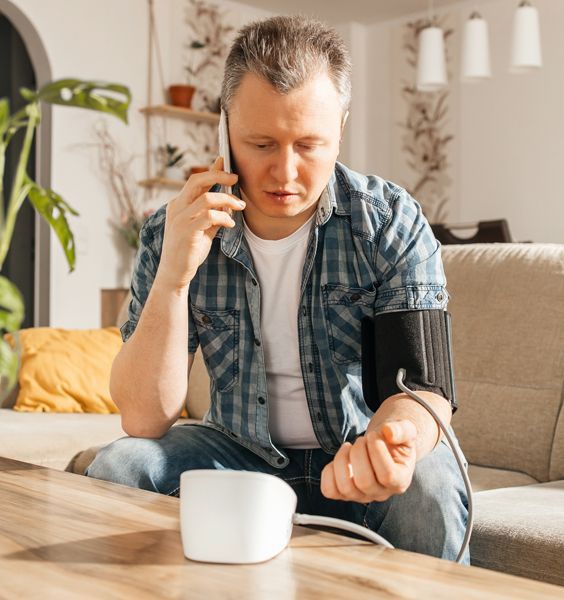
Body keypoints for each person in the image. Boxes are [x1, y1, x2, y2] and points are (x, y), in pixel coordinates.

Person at [87, 15, 469, 563]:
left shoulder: (388, 221)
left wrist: (394, 443)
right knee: (121, 466)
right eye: (261, 143)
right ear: (224, 129)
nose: (284, 173)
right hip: (236, 455)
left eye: (309, 144)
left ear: (341, 127)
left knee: (429, 489)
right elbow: (143, 419)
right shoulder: (173, 229)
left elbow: (424, 385)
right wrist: (174, 276)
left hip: (355, 452)